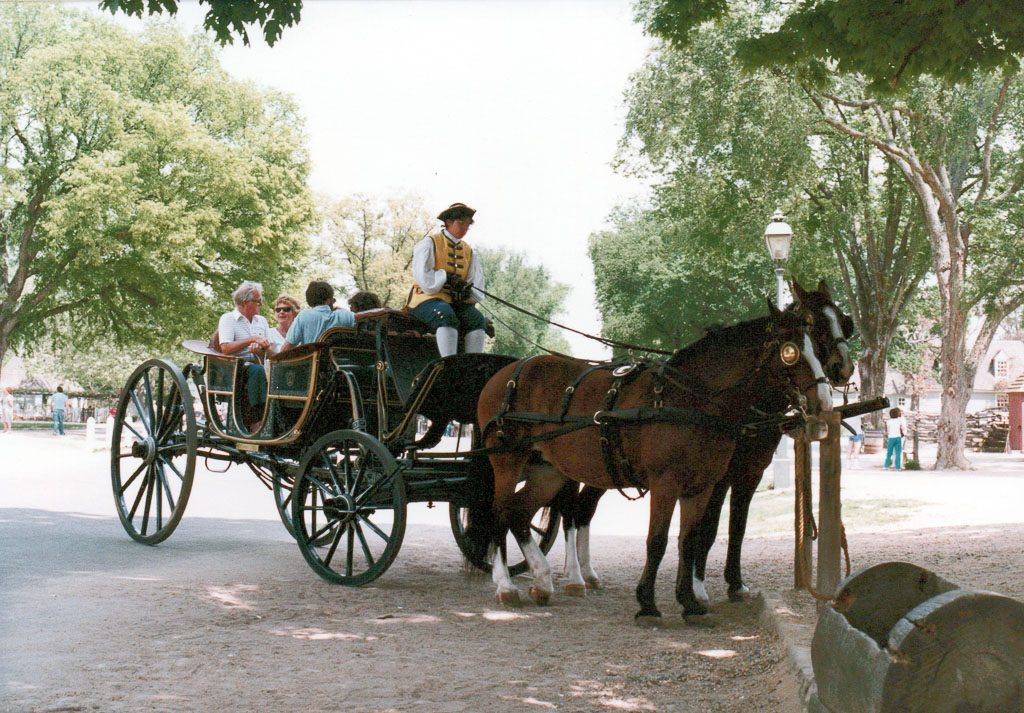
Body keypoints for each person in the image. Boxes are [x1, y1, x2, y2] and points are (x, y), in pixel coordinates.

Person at [406, 202, 488, 357]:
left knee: (477, 319)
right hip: (426, 299)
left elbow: (475, 282)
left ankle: (473, 364)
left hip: (454, 302)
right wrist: (445, 277)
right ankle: (449, 362)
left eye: (468, 225)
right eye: (461, 223)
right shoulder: (430, 243)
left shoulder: (469, 251)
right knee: (445, 314)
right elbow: (423, 276)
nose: (465, 228)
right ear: (449, 222)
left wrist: (466, 292)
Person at [217, 281, 272, 427]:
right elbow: (225, 348)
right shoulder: (228, 319)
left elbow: (270, 351)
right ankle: (257, 422)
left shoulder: (262, 321)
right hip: (236, 368)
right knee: (257, 371)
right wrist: (251, 339)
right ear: (246, 302)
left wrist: (262, 349)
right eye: (258, 301)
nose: (261, 304)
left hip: (260, 363)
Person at [281, 280, 356, 350]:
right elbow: (360, 319)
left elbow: (287, 347)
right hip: (340, 359)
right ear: (328, 301)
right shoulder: (345, 315)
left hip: (314, 360)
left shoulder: (304, 316)